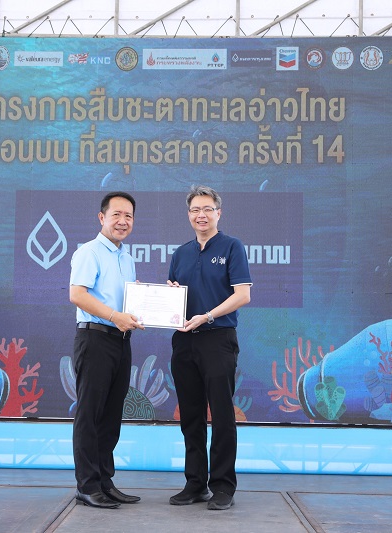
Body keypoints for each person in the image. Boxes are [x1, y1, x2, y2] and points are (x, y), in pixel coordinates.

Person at [167, 184, 252, 511]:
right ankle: (195, 484)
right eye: (194, 210)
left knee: (221, 414)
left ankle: (223, 486)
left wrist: (208, 315)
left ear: (218, 212)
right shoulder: (181, 253)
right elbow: (175, 295)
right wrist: (169, 298)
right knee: (190, 415)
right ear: (188, 215)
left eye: (207, 209)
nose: (200, 215)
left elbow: (243, 295)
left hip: (218, 338)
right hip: (184, 340)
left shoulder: (232, 247)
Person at [69, 191, 144, 509]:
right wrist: (115, 316)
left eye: (128, 216)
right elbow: (77, 295)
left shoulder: (127, 259)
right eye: (116, 215)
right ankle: (87, 485)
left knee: (111, 415)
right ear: (102, 218)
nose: (122, 221)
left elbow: (130, 302)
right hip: (95, 339)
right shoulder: (89, 252)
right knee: (90, 414)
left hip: (121, 341)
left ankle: (104, 481)